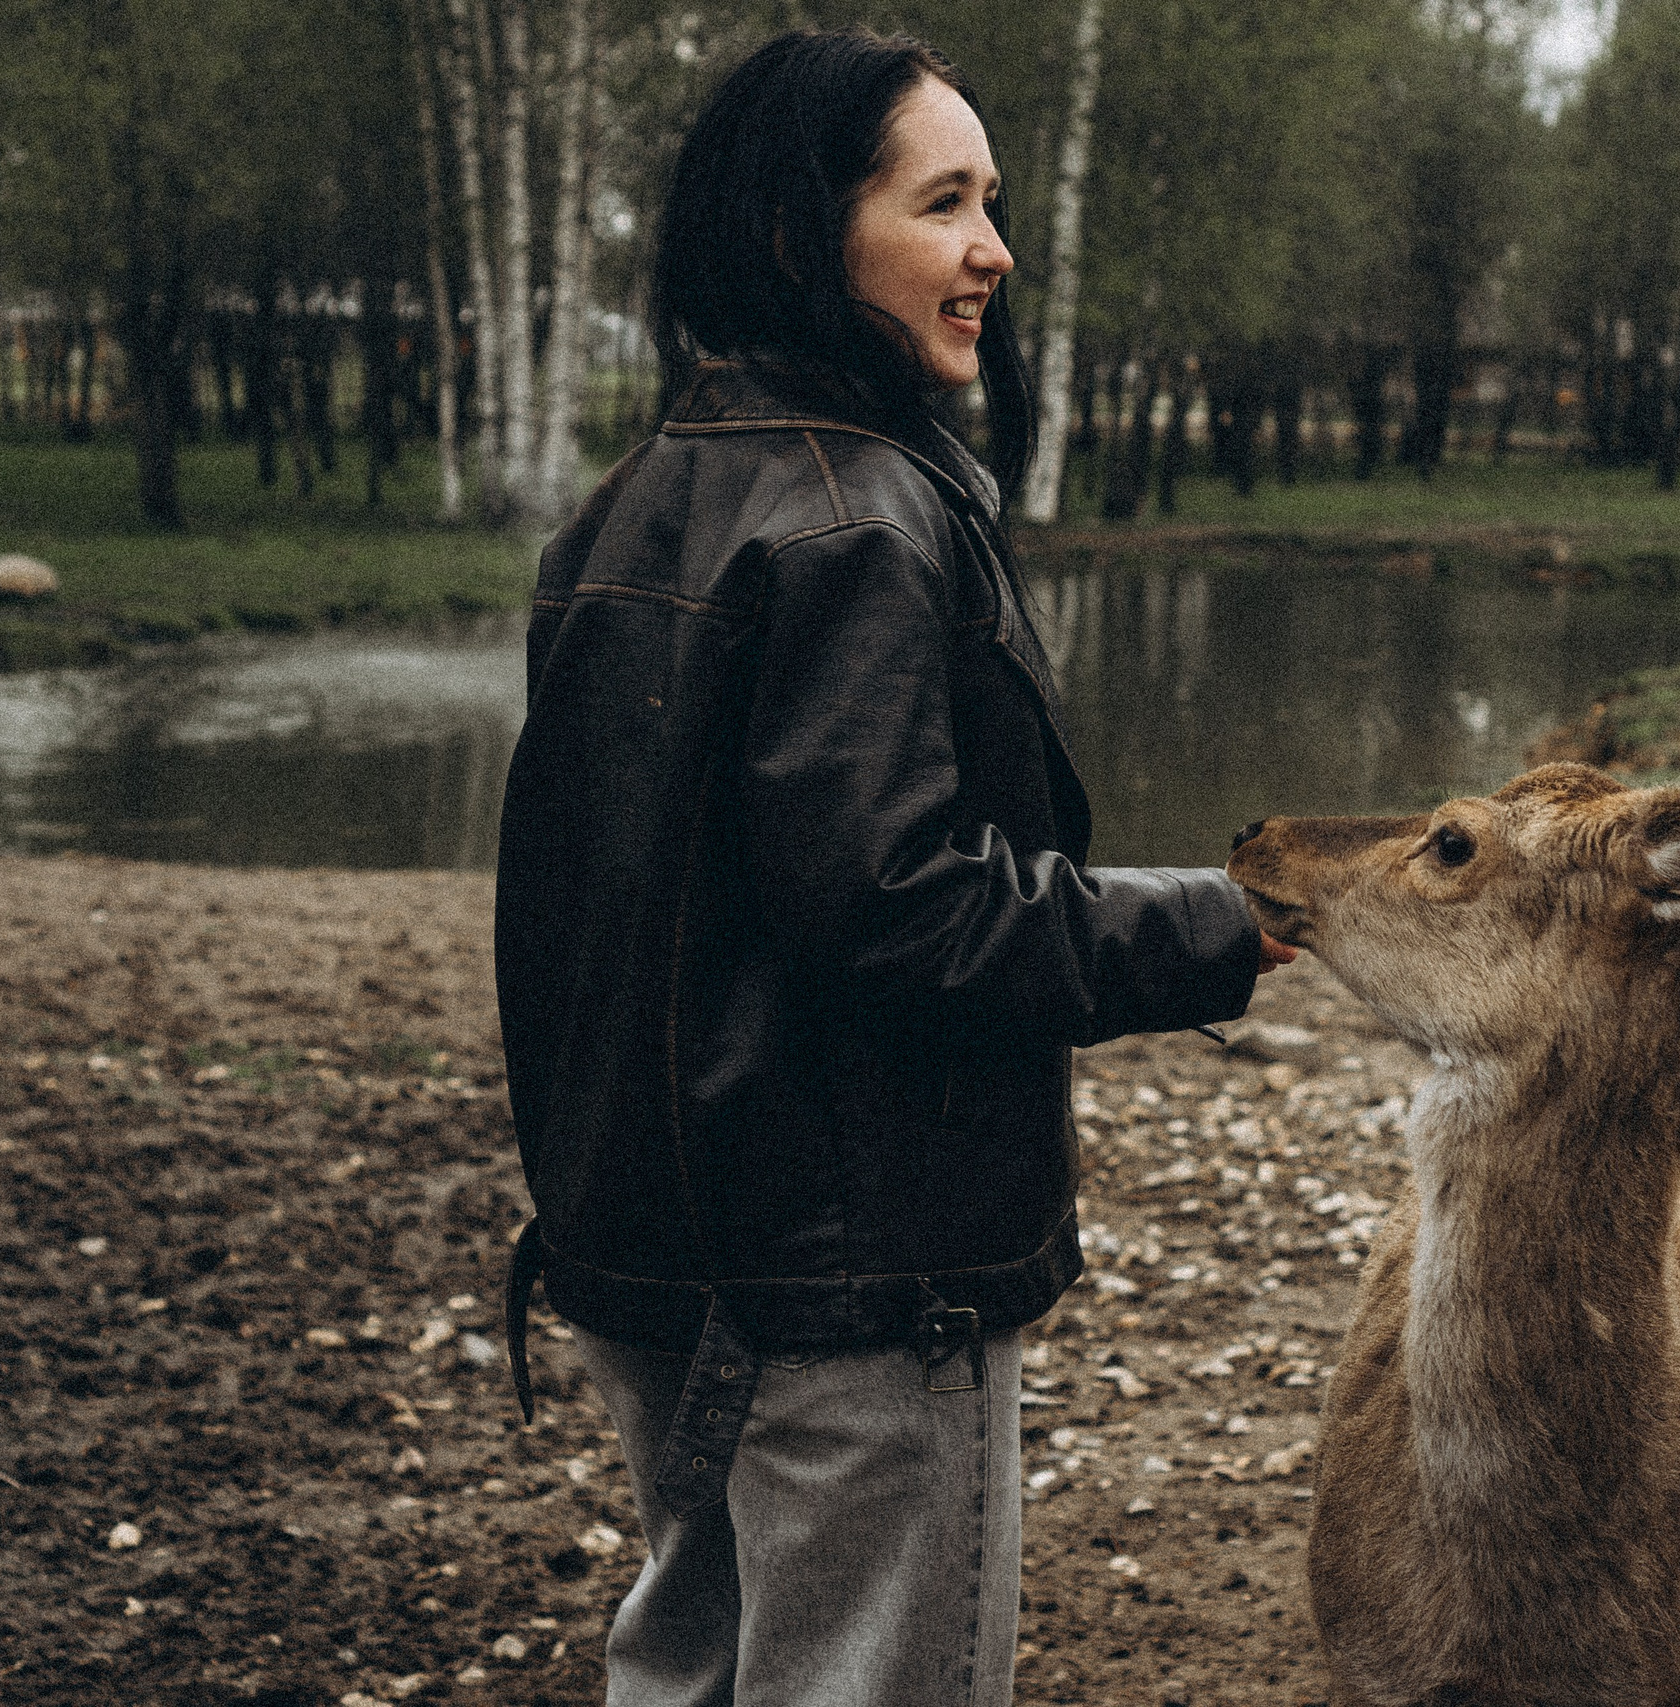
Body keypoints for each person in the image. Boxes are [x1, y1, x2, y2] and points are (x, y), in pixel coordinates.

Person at [492, 27, 1291, 1707]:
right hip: (854, 1286)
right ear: (803, 233)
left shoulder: (632, 504)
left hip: (653, 1258)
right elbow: (903, 904)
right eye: (945, 204)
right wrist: (1215, 927)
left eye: (994, 203)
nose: (995, 249)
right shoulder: (859, 522)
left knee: (689, 1675)